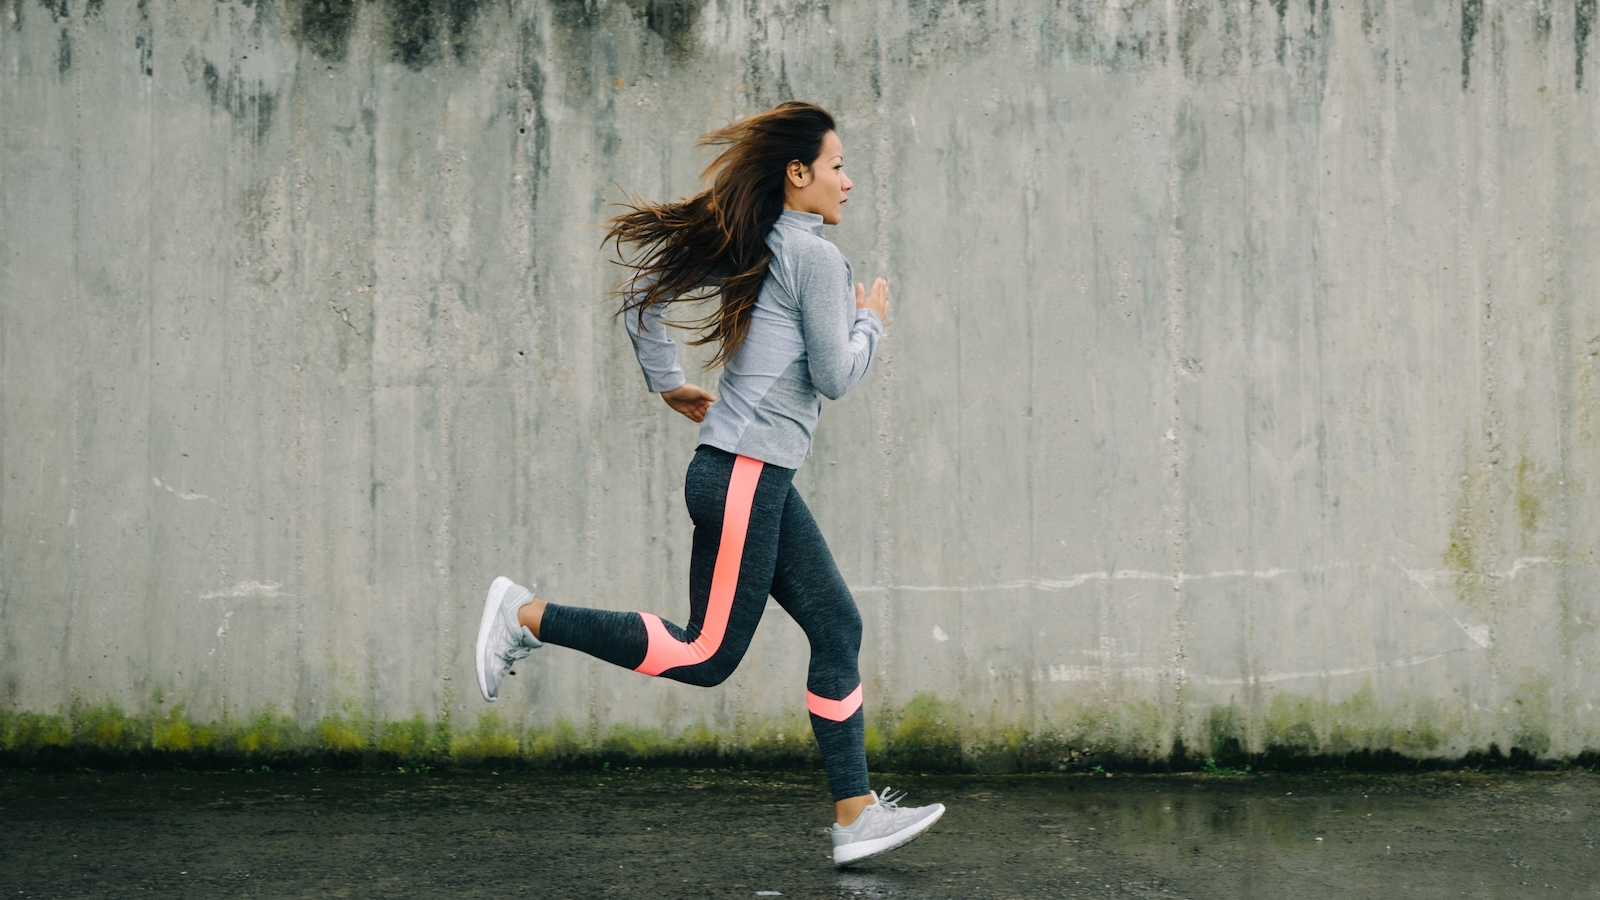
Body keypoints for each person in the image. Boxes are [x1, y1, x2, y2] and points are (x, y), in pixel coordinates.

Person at [474, 101, 943, 867]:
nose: (848, 182)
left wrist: (668, 383)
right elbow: (834, 375)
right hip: (744, 476)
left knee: (836, 627)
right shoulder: (817, 259)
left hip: (755, 475)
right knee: (707, 654)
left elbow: (645, 299)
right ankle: (525, 615)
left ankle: (856, 812)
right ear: (797, 175)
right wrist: (872, 323)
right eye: (836, 167)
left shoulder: (765, 246)